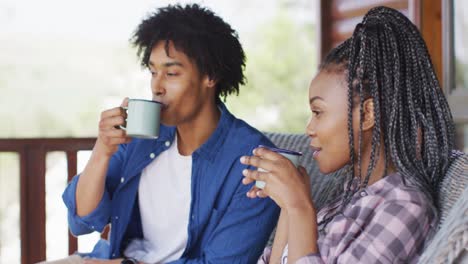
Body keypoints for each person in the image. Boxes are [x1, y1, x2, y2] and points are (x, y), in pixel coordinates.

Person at [40, 4, 280, 264]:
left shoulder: (255, 162)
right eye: (153, 72)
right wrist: (102, 151)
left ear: (210, 75)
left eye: (172, 73)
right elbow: (82, 221)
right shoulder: (142, 136)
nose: (156, 86)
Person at [240, 6, 456, 264]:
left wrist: (299, 207)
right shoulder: (348, 195)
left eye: (318, 112)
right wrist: (290, 204)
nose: (309, 128)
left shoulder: (404, 208)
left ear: (366, 114)